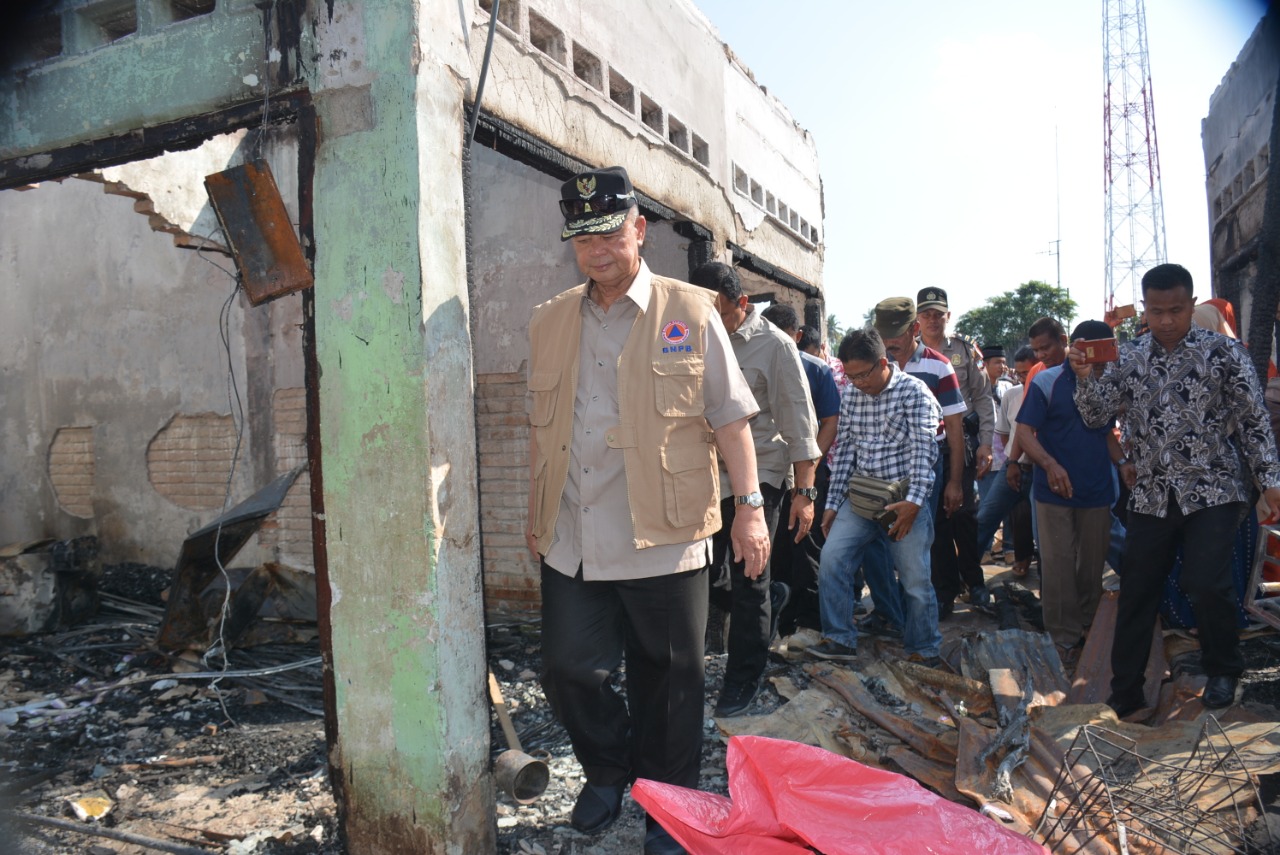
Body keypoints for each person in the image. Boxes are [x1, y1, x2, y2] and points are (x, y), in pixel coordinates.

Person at [526, 166, 770, 855]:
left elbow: (731, 418)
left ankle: (670, 804)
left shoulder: (690, 312)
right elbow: (543, 430)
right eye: (582, 238)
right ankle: (608, 770)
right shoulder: (549, 321)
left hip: (665, 530)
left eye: (608, 232)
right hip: (574, 532)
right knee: (571, 668)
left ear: (638, 230)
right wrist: (536, 508)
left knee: (672, 679)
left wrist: (750, 508)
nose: (597, 250)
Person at [1070, 263, 1280, 715]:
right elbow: (1095, 417)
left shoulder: (1224, 353)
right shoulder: (1128, 357)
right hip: (1151, 493)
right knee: (1138, 589)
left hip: (1214, 488)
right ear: (1144, 308)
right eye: (1157, 310)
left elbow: (1254, 422)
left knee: (1206, 581)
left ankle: (1223, 669)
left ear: (1192, 303)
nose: (1166, 320)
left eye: (1176, 310)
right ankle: (1125, 693)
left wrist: (1271, 481)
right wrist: (1086, 378)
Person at [691, 267, 821, 717]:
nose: (712, 320)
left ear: (741, 304)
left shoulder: (776, 346)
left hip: (759, 477)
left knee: (750, 580)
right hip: (705, 477)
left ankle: (744, 677)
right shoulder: (687, 333)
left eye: (722, 313)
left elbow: (801, 424)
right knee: (703, 575)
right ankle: (772, 599)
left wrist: (805, 493)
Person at [809, 328, 943, 664]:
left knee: (914, 578)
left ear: (883, 362)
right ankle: (839, 638)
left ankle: (923, 648)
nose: (856, 383)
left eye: (863, 374)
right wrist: (832, 504)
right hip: (861, 498)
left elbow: (924, 453)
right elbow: (846, 455)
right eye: (850, 376)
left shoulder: (916, 394)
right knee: (832, 559)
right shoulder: (853, 395)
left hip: (903, 500)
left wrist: (913, 504)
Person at [1015, 319, 1122, 657]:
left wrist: (1123, 464)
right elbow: (1023, 433)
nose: (1094, 357)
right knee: (1057, 563)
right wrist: (1049, 465)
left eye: (1102, 350)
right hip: (1054, 490)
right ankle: (1062, 636)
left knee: (1092, 564)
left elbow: (1106, 433)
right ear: (1073, 345)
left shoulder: (1110, 382)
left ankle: (1090, 624)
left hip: (1097, 487)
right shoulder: (1047, 380)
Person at [760, 304, 840, 635]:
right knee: (776, 547)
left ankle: (810, 623)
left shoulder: (816, 370)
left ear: (797, 336)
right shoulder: (749, 361)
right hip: (771, 472)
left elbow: (830, 422)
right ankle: (783, 620)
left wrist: (809, 465)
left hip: (806, 472)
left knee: (806, 546)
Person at [916, 288, 995, 613]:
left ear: (948, 316)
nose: (933, 320)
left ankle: (974, 583)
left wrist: (987, 442)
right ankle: (944, 592)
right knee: (936, 522)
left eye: (939, 314)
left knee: (964, 515)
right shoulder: (909, 353)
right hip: (924, 450)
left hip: (959, 445)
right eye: (927, 314)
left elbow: (983, 398)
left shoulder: (963, 350)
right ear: (917, 319)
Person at [976, 347, 1036, 575]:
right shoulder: (1012, 394)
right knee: (985, 517)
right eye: (1020, 374)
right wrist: (1013, 459)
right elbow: (1005, 433)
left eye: (1028, 373)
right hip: (1013, 466)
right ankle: (966, 575)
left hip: (1038, 468)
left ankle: (1028, 563)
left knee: (1037, 525)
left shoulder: (1047, 390)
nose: (1023, 378)